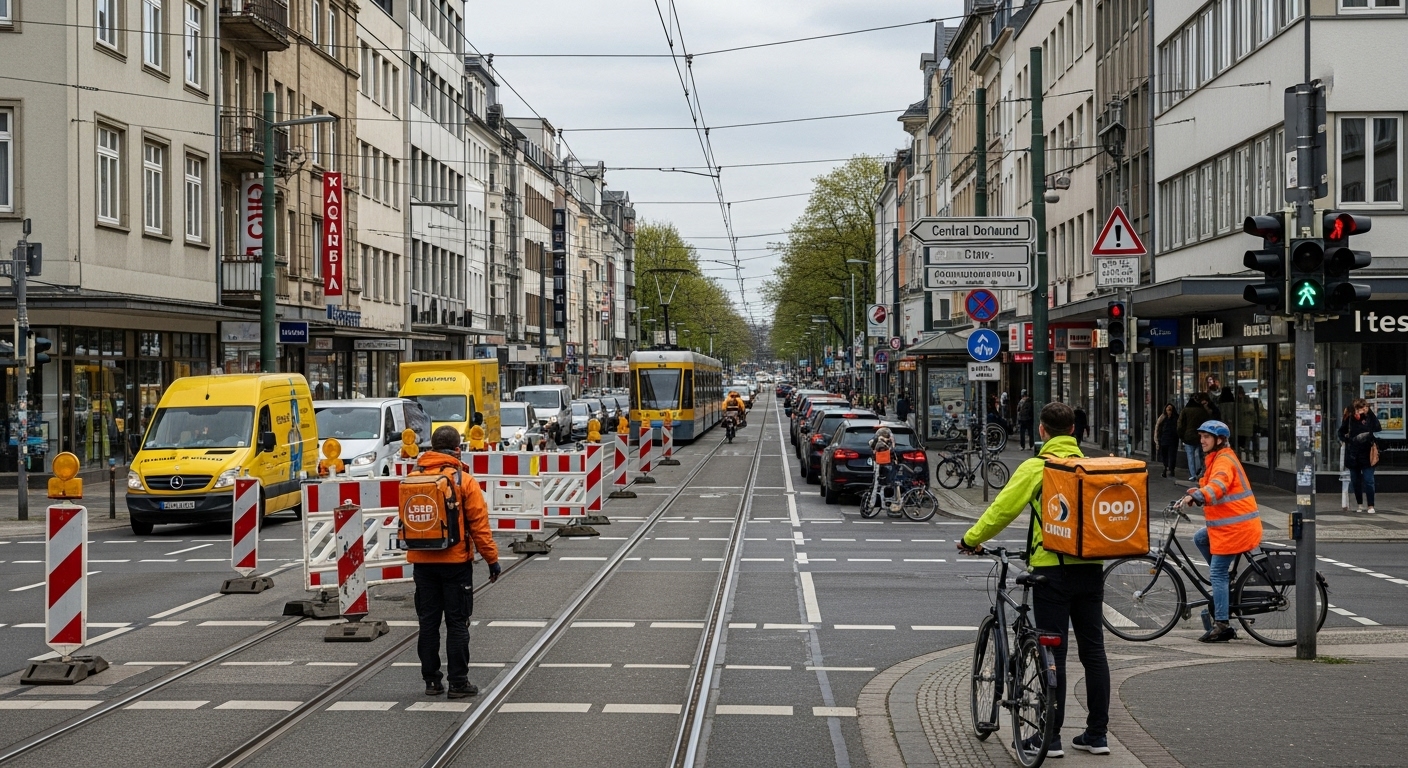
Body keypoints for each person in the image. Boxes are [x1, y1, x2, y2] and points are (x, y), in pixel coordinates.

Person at [957, 402, 1110, 757]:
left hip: (1051, 571)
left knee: (1053, 653)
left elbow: (1002, 511)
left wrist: (970, 539)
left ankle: (1049, 738)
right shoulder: (1091, 467)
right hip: (1091, 568)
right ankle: (1097, 735)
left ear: (1042, 430)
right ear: (1073, 431)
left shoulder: (1037, 467)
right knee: (1094, 651)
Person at [409, 425, 501, 699]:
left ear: (432, 448)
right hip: (455, 563)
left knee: (428, 623)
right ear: (457, 450)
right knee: (457, 623)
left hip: (422, 563)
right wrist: (492, 560)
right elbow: (479, 527)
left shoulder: (414, 477)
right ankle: (458, 683)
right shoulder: (464, 480)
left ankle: (431, 682)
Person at [1181, 420, 1262, 643]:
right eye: (1201, 436)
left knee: (1217, 572)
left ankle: (1222, 625)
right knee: (1200, 538)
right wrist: (1196, 492)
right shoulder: (1217, 458)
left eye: (1206, 437)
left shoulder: (1224, 460)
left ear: (1219, 440)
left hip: (1236, 528)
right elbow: (1213, 486)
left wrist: (1199, 495)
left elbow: (1219, 485)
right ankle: (1226, 583)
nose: (1202, 440)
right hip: (1229, 527)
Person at [1339, 398, 1381, 514]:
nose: (1363, 410)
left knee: (1369, 480)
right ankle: (1359, 504)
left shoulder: (1369, 418)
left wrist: (1370, 413)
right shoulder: (1350, 419)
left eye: (1365, 408)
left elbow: (1378, 427)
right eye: (1361, 408)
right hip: (1353, 454)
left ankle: (1371, 505)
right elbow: (1341, 432)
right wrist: (1348, 440)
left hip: (1367, 453)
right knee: (1355, 481)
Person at [1178, 394, 1211, 481]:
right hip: (1200, 436)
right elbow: (1207, 421)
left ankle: (1192, 475)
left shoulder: (1185, 410)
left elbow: (1180, 425)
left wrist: (1182, 436)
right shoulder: (1202, 410)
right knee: (1201, 455)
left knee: (1190, 456)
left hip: (1188, 437)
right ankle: (1201, 472)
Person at [869, 426, 900, 516]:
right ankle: (881, 503)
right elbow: (890, 451)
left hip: (883, 466)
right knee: (884, 484)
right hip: (885, 466)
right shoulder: (881, 443)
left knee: (883, 484)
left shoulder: (879, 442)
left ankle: (882, 503)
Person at [1154, 402, 1179, 478]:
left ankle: (1171, 469)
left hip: (1173, 440)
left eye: (1170, 409)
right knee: (1164, 455)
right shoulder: (1162, 418)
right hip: (1164, 439)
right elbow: (1157, 427)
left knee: (1172, 455)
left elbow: (1179, 427)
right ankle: (1165, 468)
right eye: (1168, 409)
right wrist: (1157, 439)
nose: (1169, 411)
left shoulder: (1176, 418)